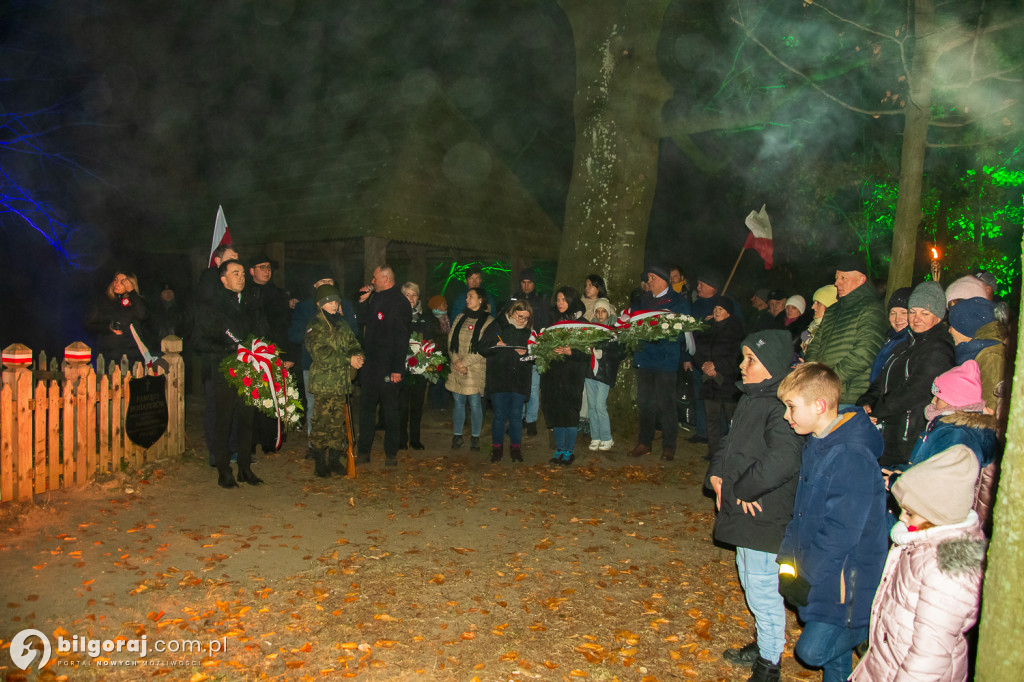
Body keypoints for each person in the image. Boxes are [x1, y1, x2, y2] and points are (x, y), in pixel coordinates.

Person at [775, 362, 888, 682]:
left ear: (819, 405)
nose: (787, 415)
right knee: (835, 662)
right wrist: (788, 563)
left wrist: (806, 576)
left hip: (847, 578)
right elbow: (800, 513)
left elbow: (842, 532)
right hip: (823, 570)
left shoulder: (850, 454)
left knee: (811, 651)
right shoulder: (818, 442)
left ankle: (876, 631)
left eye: (792, 407)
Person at [706, 330, 804, 682]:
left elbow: (784, 458)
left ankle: (769, 663)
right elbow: (729, 443)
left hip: (763, 510)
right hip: (745, 507)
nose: (742, 366)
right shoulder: (752, 398)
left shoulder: (780, 406)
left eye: (751, 360)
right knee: (750, 580)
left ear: (772, 366)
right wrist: (716, 474)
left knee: (761, 585)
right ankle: (765, 642)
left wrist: (745, 490)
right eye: (744, 357)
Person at [850, 445, 986, 681]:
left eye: (909, 513)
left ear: (938, 514)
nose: (901, 518)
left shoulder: (947, 571)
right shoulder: (921, 543)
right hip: (890, 661)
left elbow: (929, 658)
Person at [857, 281, 955, 468]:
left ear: (938, 315)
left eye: (925, 313)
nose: (916, 318)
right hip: (889, 428)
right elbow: (882, 378)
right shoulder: (906, 344)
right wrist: (865, 402)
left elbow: (915, 390)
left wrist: (876, 408)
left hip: (908, 436)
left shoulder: (939, 348)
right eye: (912, 312)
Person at [192, 259, 268, 488]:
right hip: (224, 370)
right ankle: (224, 469)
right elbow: (198, 341)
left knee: (246, 420)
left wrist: (261, 348)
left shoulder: (250, 304)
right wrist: (228, 349)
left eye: (243, 273)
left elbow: (262, 331)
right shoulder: (210, 307)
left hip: (249, 370)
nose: (242, 277)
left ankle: (245, 468)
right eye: (236, 273)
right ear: (223, 279)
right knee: (223, 420)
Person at [905, 360, 999, 530]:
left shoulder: (956, 434)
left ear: (953, 400)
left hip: (935, 516)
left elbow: (939, 480)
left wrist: (901, 479)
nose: (933, 400)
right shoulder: (950, 425)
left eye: (938, 396)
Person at [803, 258, 888, 406]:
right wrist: (812, 374)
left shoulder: (872, 309)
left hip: (849, 396)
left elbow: (864, 353)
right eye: (837, 278)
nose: (837, 283)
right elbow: (816, 343)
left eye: (843, 278)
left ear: (861, 279)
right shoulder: (832, 310)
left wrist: (828, 379)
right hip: (823, 391)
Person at [628, 266, 691, 461]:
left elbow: (684, 331)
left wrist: (661, 333)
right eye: (648, 277)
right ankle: (644, 442)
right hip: (645, 358)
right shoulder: (643, 300)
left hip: (665, 360)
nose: (650, 281)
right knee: (645, 403)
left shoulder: (678, 302)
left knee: (666, 404)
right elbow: (633, 323)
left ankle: (669, 446)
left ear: (664, 280)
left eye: (653, 277)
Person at [355, 265, 412, 467]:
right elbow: (363, 320)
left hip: (389, 368)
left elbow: (402, 338)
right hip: (370, 366)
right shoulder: (375, 297)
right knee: (366, 410)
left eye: (375, 278)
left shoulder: (400, 303)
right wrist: (362, 301)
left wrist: (397, 368)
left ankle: (391, 453)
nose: (372, 281)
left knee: (390, 412)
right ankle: (363, 451)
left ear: (386, 279)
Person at [306, 284, 364, 477]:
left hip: (342, 383)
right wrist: (348, 359)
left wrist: (357, 355)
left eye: (335, 301)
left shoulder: (342, 324)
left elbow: (353, 343)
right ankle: (320, 462)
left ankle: (334, 460)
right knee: (322, 423)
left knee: (337, 423)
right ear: (319, 304)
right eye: (328, 301)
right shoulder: (315, 325)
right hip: (324, 383)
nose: (333, 304)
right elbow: (321, 354)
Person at [247, 254, 294, 454]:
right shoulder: (244, 293)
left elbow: (285, 326)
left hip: (274, 353)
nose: (267, 271)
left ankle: (270, 439)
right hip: (249, 354)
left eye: (268, 267)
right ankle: (249, 441)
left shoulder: (278, 294)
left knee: (272, 397)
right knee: (251, 397)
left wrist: (288, 355)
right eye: (262, 267)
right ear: (252, 271)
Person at [480, 300, 534, 462]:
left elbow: (536, 357)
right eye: (520, 316)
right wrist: (495, 344)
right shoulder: (498, 325)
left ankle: (515, 449)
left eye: (526, 318)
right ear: (512, 312)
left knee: (516, 416)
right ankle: (497, 449)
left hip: (519, 379)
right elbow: (482, 347)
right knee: (500, 416)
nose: (522, 321)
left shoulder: (529, 332)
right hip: (499, 377)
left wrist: (526, 354)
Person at [541, 286, 589, 465]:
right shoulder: (552, 320)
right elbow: (541, 343)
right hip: (552, 374)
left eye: (564, 299)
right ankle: (559, 449)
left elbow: (587, 352)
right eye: (558, 299)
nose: (560, 303)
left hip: (572, 375)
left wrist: (572, 352)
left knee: (569, 412)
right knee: (555, 411)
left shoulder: (582, 323)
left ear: (572, 300)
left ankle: (570, 450)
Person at [692, 297, 744, 457]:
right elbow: (697, 349)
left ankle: (733, 453)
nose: (716, 311)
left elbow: (736, 356)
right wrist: (704, 366)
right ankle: (714, 452)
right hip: (710, 381)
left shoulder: (736, 331)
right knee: (712, 418)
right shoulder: (707, 328)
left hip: (728, 382)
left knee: (732, 419)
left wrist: (717, 366)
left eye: (720, 309)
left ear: (728, 313)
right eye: (715, 308)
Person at [446, 287, 493, 450]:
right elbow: (451, 341)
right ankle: (457, 435)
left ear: (480, 300)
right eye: (466, 296)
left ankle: (475, 437)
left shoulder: (489, 321)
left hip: (475, 369)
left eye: (470, 296)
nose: (467, 299)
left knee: (475, 403)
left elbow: (485, 348)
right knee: (458, 402)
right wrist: (456, 361)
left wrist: (464, 363)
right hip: (457, 367)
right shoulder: (460, 317)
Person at [947, 296, 1008, 420]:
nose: (949, 330)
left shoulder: (991, 355)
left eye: (954, 325)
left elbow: (989, 410)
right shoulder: (975, 351)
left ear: (967, 327)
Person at [505, 268, 550, 435]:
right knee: (516, 385)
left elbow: (545, 323)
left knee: (533, 386)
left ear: (534, 283)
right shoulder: (513, 298)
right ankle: (518, 418)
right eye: (523, 282)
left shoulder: (541, 299)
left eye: (529, 282)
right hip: (516, 347)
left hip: (534, 346)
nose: (526, 286)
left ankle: (531, 420)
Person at [86, 271, 148, 364]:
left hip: (131, 354)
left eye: (122, 282)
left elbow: (143, 316)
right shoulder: (102, 301)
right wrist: (108, 327)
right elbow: (89, 324)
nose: (117, 284)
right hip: (107, 354)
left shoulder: (136, 301)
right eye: (115, 280)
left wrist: (132, 293)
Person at [586, 299, 621, 451]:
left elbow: (619, 352)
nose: (600, 315)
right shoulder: (589, 328)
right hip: (590, 372)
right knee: (592, 406)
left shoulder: (614, 330)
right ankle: (596, 436)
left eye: (603, 311)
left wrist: (604, 354)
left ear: (608, 312)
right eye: (597, 311)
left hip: (605, 373)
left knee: (600, 405)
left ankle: (607, 437)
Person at [398, 282, 429, 451]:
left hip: (420, 368)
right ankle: (402, 440)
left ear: (418, 297)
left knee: (417, 406)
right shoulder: (396, 315)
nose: (411, 298)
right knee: (401, 406)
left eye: (414, 295)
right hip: (400, 368)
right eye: (407, 295)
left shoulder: (425, 316)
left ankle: (415, 439)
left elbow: (430, 339)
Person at [868, 287, 911, 384]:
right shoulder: (890, 338)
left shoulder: (911, 342)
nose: (897, 319)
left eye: (904, 313)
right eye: (893, 313)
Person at [426, 294, 451, 411]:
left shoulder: (448, 318)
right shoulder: (431, 319)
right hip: (434, 355)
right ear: (437, 306)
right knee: (436, 382)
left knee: (446, 381)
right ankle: (436, 406)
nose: (446, 305)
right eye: (443, 304)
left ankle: (444, 406)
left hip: (447, 354)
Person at [799, 285, 838, 356]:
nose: (813, 307)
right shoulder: (812, 326)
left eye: (818, 303)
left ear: (829, 306)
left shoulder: (834, 330)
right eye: (814, 302)